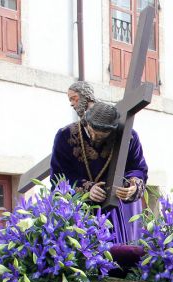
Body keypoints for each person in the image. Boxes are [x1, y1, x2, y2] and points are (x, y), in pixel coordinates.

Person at [50, 101, 148, 244]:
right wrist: (87, 190)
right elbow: (59, 176)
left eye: (102, 136)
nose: (95, 138)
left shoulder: (128, 137)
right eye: (92, 132)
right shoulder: (65, 136)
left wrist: (132, 186)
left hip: (115, 210)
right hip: (78, 212)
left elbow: (138, 168)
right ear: (86, 122)